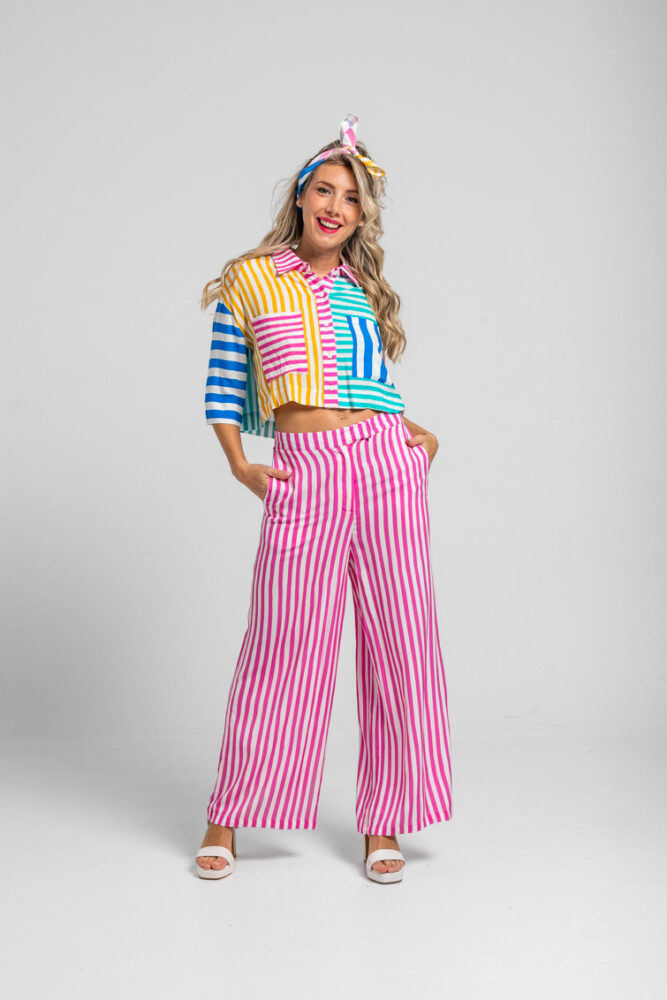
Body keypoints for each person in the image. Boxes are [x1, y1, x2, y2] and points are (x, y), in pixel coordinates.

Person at [195, 114, 452, 885]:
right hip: (302, 470)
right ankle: (225, 817)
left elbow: (370, 385)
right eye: (325, 191)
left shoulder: (359, 290)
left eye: (351, 198)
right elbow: (224, 382)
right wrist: (241, 465)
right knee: (281, 646)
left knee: (401, 644)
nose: (336, 206)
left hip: (383, 464)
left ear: (362, 216)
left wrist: (414, 437)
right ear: (301, 197)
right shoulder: (250, 277)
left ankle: (384, 823)